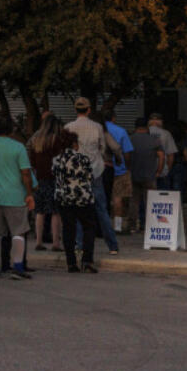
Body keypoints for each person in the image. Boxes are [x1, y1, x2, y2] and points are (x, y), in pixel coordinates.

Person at [0, 114, 35, 280]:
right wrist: (29, 193)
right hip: (15, 196)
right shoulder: (18, 147)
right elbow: (25, 173)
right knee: (18, 232)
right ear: (11, 130)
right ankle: (17, 267)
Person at [64, 97, 120, 255]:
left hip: (75, 173)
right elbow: (102, 148)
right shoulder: (97, 127)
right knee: (101, 209)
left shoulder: (68, 127)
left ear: (76, 110)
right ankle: (112, 245)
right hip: (95, 171)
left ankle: (79, 244)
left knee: (78, 209)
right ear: (89, 110)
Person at [52, 130, 98, 273]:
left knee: (68, 229)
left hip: (64, 199)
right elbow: (90, 177)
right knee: (89, 227)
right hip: (83, 198)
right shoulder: (83, 159)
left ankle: (71, 262)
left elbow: (55, 176)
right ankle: (87, 260)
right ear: (74, 144)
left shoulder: (56, 160)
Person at [26, 113, 65, 250]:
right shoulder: (56, 140)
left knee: (39, 211)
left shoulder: (36, 140)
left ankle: (38, 241)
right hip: (54, 178)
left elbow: (30, 159)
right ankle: (55, 242)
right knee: (55, 212)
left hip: (39, 178)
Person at [129, 117, 164, 233]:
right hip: (150, 175)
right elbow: (161, 156)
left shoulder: (130, 139)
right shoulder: (155, 140)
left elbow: (126, 156)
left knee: (134, 201)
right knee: (151, 201)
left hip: (134, 174)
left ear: (136, 127)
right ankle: (151, 226)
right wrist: (158, 171)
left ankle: (133, 226)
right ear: (147, 127)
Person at [103, 109, 134, 232]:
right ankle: (117, 226)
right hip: (119, 170)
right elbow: (127, 152)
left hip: (102, 169)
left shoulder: (99, 130)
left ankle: (103, 224)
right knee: (118, 197)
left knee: (103, 197)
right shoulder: (121, 131)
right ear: (114, 118)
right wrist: (127, 167)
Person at [149, 113, 182, 191]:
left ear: (149, 121)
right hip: (162, 169)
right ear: (160, 121)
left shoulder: (143, 132)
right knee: (162, 194)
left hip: (145, 169)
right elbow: (171, 154)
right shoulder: (166, 134)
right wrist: (168, 168)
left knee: (146, 195)